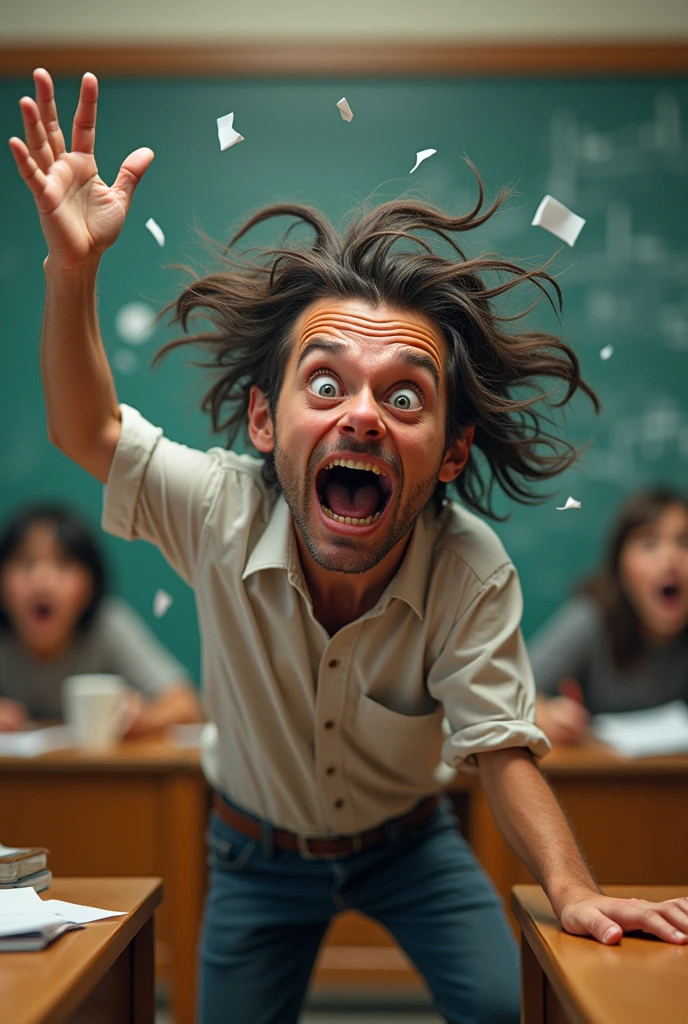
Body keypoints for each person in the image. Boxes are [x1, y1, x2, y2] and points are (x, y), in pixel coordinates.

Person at [9, 67, 688, 1024]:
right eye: (324, 385)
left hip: (411, 847)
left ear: (451, 452)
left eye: (403, 396)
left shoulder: (470, 567)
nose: (362, 414)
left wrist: (574, 891)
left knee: (510, 1008)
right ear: (260, 419)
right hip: (251, 855)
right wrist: (72, 268)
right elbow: (88, 432)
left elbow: (502, 748)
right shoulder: (215, 506)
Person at [0, 502, 203, 736]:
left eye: (63, 563)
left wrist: (144, 717)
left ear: (89, 586)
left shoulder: (108, 625)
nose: (42, 581)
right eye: (26, 563)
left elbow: (186, 703)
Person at [531, 487, 688, 746]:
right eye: (649, 544)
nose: (669, 560)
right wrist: (545, 715)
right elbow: (513, 692)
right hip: (604, 779)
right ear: (620, 567)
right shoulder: (591, 618)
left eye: (684, 542)